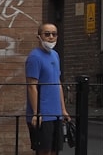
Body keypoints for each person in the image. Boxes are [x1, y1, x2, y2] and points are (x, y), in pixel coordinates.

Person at [26, 22, 70, 154]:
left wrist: (63, 110)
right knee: (44, 151)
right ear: (39, 36)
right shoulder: (34, 57)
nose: (51, 37)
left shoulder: (55, 55)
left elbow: (57, 83)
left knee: (55, 150)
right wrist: (36, 113)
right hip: (42, 114)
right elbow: (31, 86)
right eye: (47, 34)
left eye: (54, 34)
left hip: (55, 113)